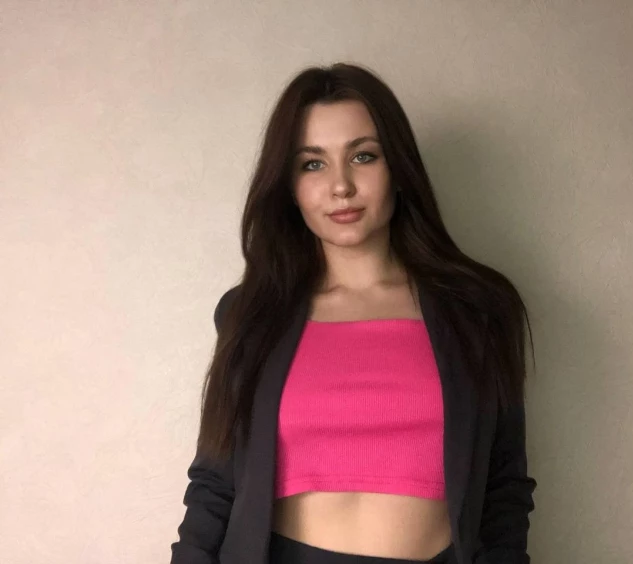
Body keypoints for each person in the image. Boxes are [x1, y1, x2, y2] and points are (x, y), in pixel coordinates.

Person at [170, 62, 537, 564]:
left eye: (363, 156)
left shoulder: (478, 309)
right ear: (289, 186)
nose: (340, 186)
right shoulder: (252, 314)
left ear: (398, 169)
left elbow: (503, 488)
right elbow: (214, 483)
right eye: (312, 164)